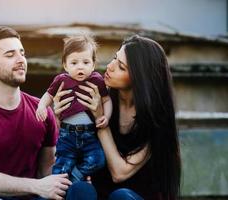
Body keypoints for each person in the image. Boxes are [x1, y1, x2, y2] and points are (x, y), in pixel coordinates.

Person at [53, 35, 181, 200]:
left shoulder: (157, 121)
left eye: (121, 66)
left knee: (121, 197)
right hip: (100, 194)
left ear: (140, 78)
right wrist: (60, 116)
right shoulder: (100, 97)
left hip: (134, 196)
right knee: (79, 190)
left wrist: (100, 120)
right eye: (114, 58)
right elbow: (72, 147)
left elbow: (119, 173)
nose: (110, 66)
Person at [0, 26, 73, 200]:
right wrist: (37, 186)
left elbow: (47, 170)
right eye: (10, 55)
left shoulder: (42, 110)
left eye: (22, 53)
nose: (21, 60)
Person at [36, 35, 112, 183]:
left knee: (98, 160)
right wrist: (41, 106)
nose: (80, 67)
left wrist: (106, 117)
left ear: (93, 64)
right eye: (74, 63)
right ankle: (60, 188)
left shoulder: (97, 80)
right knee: (61, 167)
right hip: (67, 135)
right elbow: (49, 95)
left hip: (89, 134)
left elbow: (106, 99)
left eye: (85, 62)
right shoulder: (61, 80)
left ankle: (76, 176)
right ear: (65, 65)